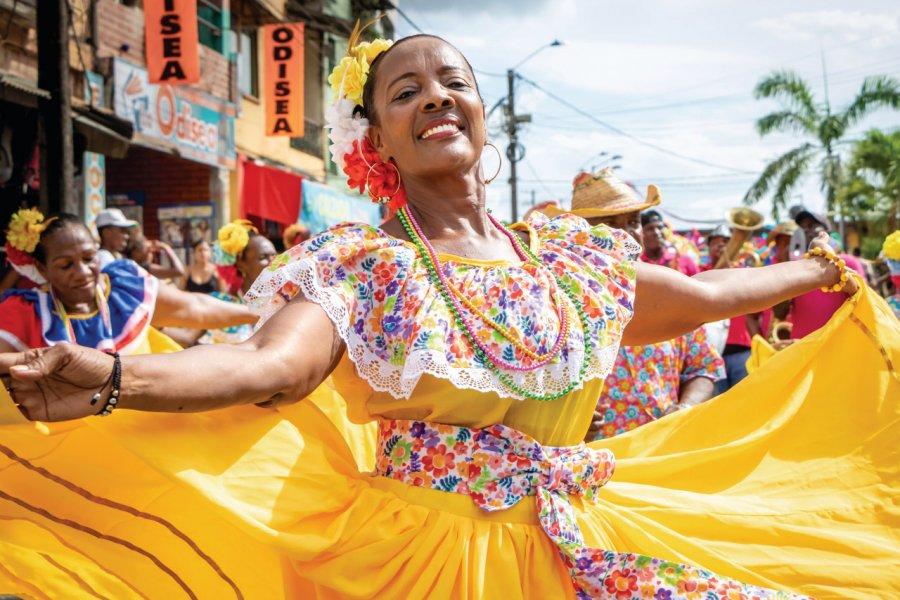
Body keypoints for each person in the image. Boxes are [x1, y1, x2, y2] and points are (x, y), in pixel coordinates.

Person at [0, 33, 894, 600]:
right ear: (378, 143)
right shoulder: (367, 264)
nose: (432, 95)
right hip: (430, 562)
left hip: (589, 529)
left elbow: (698, 300)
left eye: (450, 81)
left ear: (478, 112)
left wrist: (817, 266)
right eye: (403, 91)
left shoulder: (571, 258)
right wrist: (119, 378)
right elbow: (265, 367)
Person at [542, 169, 724, 441]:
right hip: (586, 463)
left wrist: (684, 408)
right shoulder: (552, 296)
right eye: (611, 222)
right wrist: (561, 418)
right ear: (581, 232)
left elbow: (703, 367)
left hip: (659, 454)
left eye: (633, 221)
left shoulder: (669, 289)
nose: (627, 232)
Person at [702, 224, 766, 394]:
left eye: (726, 242)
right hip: (712, 352)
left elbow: (756, 308)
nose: (721, 246)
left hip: (742, 350)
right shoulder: (700, 273)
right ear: (708, 248)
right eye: (715, 242)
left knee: (745, 402)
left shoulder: (743, 273)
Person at [787, 209, 866, 338]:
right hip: (802, 349)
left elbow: (863, 301)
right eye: (802, 227)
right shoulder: (794, 266)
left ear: (827, 233)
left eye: (812, 225)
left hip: (838, 347)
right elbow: (780, 313)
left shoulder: (848, 262)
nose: (806, 230)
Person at [640, 209, 700, 275]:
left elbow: (700, 283)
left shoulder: (684, 259)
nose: (657, 232)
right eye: (650, 229)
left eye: (660, 227)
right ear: (641, 233)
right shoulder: (638, 264)